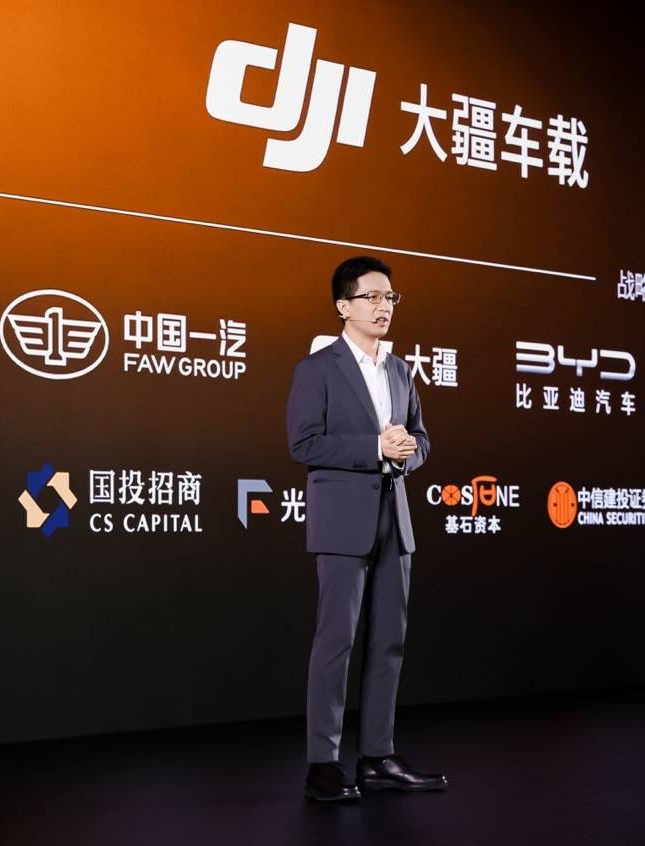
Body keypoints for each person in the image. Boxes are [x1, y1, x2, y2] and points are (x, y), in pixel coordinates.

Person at [286, 255, 447, 802]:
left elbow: (421, 439)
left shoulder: (400, 370)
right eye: (371, 297)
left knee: (389, 643)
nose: (384, 307)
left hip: (394, 519)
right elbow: (304, 443)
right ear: (343, 306)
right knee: (336, 643)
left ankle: (378, 757)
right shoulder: (317, 369)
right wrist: (375, 447)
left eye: (390, 298)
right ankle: (323, 764)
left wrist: (406, 451)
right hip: (342, 523)